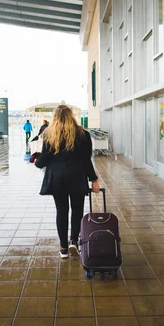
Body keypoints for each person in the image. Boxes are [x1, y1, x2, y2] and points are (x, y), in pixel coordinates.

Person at [35, 105, 100, 258]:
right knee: (77, 210)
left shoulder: (49, 134)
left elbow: (43, 160)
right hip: (77, 177)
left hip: (57, 179)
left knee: (61, 211)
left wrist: (36, 162)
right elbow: (86, 159)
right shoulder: (82, 134)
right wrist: (94, 179)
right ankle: (73, 242)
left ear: (55, 117)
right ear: (71, 116)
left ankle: (63, 248)